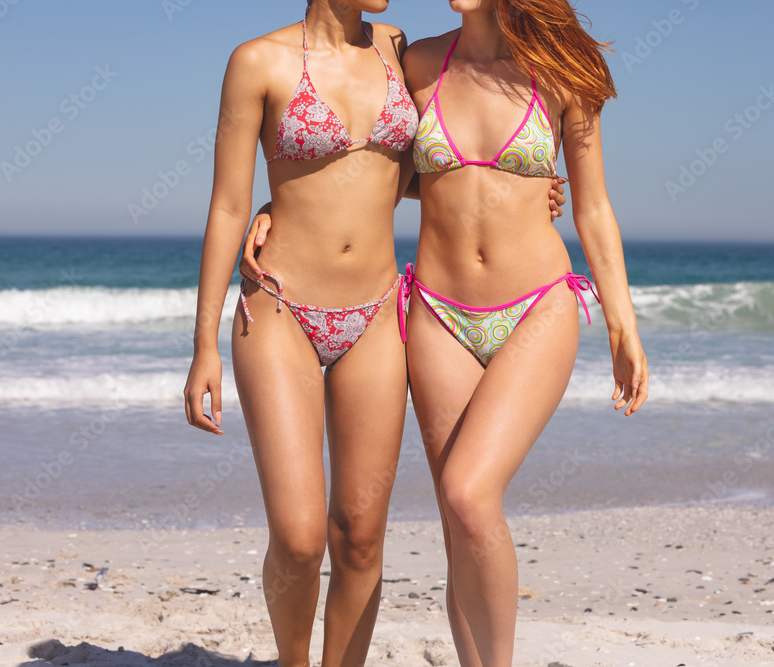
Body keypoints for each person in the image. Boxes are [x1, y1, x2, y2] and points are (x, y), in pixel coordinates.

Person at [184, 0, 565, 664]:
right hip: (280, 309)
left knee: (360, 534)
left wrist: (523, 189)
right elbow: (225, 205)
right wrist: (202, 346)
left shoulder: (395, 49)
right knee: (301, 536)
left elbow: (415, 170)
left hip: (379, 313)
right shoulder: (257, 62)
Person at [401, 1, 649, 665]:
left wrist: (623, 324)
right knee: (458, 525)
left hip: (535, 306)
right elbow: (371, 173)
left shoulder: (568, 71)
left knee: (468, 492)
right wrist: (273, 210)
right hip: (436, 312)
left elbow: (593, 207)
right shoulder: (417, 63)